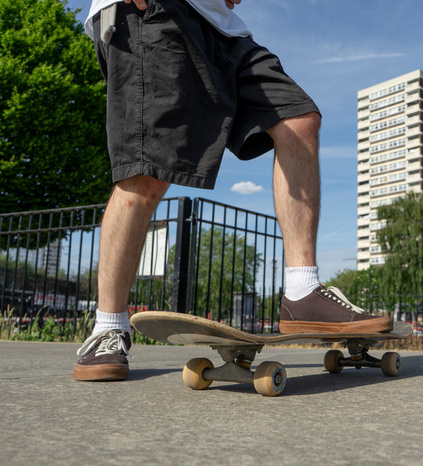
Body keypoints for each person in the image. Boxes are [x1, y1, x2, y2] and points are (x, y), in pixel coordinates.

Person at [73, 0, 392, 382]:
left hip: (225, 32)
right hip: (155, 12)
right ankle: (108, 327)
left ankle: (302, 290)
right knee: (147, 173)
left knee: (297, 120)